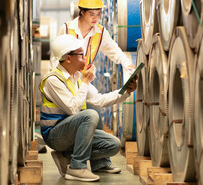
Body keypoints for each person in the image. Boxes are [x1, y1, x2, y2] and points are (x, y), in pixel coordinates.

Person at [39, 34, 137, 182]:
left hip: (71, 132)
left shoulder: (77, 77)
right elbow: (72, 109)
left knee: (113, 145)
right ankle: (77, 167)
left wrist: (126, 91)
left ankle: (73, 158)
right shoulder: (53, 80)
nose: (85, 58)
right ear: (68, 58)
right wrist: (85, 81)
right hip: (55, 135)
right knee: (90, 114)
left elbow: (99, 100)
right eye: (81, 54)